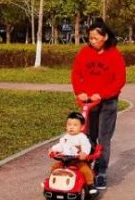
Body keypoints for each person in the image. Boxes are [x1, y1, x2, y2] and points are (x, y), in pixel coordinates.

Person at [71, 19, 126, 190]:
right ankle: (87, 168)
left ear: (105, 37)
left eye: (95, 38)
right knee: (88, 136)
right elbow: (76, 74)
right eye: (90, 38)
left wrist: (102, 94)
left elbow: (119, 81)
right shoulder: (84, 53)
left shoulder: (114, 55)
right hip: (89, 103)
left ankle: (101, 171)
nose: (92, 41)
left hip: (107, 103)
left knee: (103, 138)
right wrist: (80, 91)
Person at [48, 111, 95, 189]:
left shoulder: (82, 137)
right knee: (54, 167)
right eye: (69, 125)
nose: (71, 127)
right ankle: (54, 182)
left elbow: (86, 146)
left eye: (75, 125)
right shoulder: (65, 137)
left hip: (78, 161)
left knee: (86, 171)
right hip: (65, 161)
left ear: (82, 127)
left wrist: (84, 153)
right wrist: (53, 150)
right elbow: (60, 146)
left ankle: (91, 185)